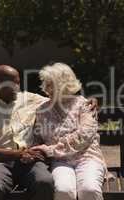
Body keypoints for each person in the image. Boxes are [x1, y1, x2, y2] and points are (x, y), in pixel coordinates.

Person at [0, 65, 98, 200]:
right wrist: (19, 154)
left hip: (31, 162)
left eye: (18, 82)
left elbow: (62, 98)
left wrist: (89, 100)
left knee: (44, 182)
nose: (17, 86)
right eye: (12, 83)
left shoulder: (31, 99)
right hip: (0, 163)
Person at [31, 63, 106, 200]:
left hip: (87, 157)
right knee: (63, 190)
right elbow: (38, 137)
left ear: (63, 84)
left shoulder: (84, 105)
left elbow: (83, 137)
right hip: (60, 161)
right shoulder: (42, 110)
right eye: (45, 84)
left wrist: (50, 150)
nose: (45, 88)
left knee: (89, 189)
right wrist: (34, 150)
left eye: (50, 84)